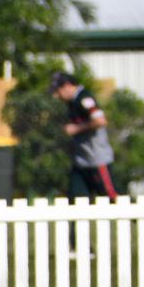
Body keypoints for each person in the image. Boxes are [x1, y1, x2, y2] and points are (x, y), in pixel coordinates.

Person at [48, 71, 118, 202]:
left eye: (58, 91)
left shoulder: (84, 98)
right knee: (75, 201)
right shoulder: (71, 103)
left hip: (97, 160)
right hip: (80, 162)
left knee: (112, 198)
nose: (57, 96)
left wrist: (77, 128)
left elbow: (100, 121)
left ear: (67, 85)